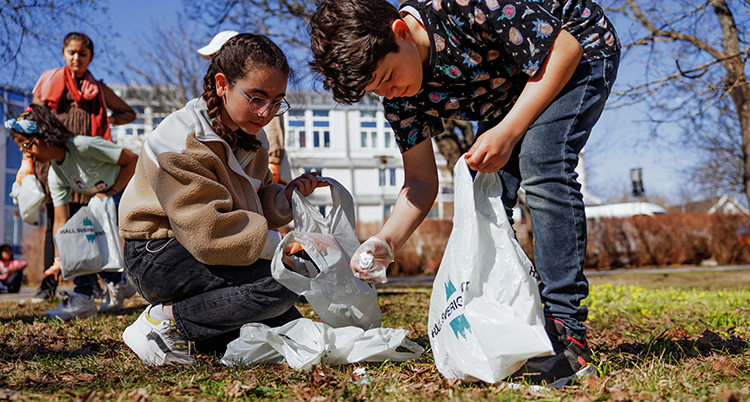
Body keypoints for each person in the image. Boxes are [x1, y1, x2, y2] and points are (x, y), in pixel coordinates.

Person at [309, 0, 620, 384]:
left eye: (388, 76)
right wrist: (386, 241)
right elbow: (421, 181)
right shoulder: (399, 98)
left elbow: (565, 49)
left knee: (543, 161)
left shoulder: (464, 7)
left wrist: (508, 132)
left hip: (575, 49)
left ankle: (564, 327)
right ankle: (509, 316)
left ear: (400, 31)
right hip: (509, 87)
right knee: (483, 190)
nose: (390, 91)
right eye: (377, 90)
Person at [118, 33, 325, 366]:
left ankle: (200, 328)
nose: (266, 111)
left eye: (277, 101)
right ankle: (163, 321)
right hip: (157, 254)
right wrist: (285, 248)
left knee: (287, 324)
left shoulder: (250, 139)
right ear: (221, 84)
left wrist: (287, 196)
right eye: (257, 97)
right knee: (282, 285)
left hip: (201, 248)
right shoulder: (182, 139)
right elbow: (208, 232)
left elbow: (256, 201)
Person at [28, 32, 136, 303]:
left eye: (82, 54)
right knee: (59, 222)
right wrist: (26, 163)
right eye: (71, 53)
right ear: (64, 53)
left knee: (90, 226)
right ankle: (48, 283)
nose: (76, 58)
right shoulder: (51, 82)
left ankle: (92, 284)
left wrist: (106, 119)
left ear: (91, 57)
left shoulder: (97, 89)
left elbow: (129, 113)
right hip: (57, 161)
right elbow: (33, 124)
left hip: (88, 163)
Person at [6, 105, 139, 319]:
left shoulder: (83, 146)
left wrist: (111, 191)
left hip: (129, 190)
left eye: (27, 145)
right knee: (77, 234)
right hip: (104, 201)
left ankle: (105, 287)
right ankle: (109, 286)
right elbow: (61, 223)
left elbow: (132, 160)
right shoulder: (55, 174)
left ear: (44, 135)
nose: (27, 154)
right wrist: (60, 258)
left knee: (92, 216)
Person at [198, 30, 291, 184]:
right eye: (212, 57)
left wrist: (273, 160)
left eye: (218, 54)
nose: (216, 60)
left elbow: (273, 129)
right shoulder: (195, 128)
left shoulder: (261, 102)